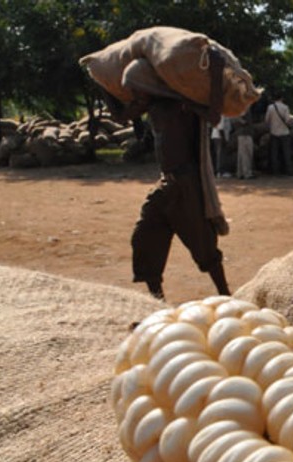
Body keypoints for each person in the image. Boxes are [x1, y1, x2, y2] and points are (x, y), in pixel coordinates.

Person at [102, 49, 231, 301]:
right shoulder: (150, 106)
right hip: (166, 183)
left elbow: (213, 115)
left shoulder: (179, 103)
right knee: (145, 237)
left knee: (203, 245)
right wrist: (103, 82)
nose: (135, 97)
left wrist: (216, 72)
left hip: (186, 184)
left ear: (148, 85)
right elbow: (119, 115)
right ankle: (157, 301)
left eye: (137, 90)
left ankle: (226, 295)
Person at [264, 96, 293, 175]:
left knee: (274, 153)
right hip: (284, 132)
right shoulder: (285, 107)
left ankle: (275, 171)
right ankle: (288, 171)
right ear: (282, 98)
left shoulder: (270, 108)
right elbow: (287, 120)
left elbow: (267, 120)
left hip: (274, 132)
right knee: (286, 153)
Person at [233, 109, 255, 180]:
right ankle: (247, 173)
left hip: (241, 133)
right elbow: (238, 119)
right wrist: (243, 122)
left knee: (241, 154)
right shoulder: (244, 109)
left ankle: (240, 172)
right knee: (247, 153)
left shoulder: (238, 108)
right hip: (245, 133)